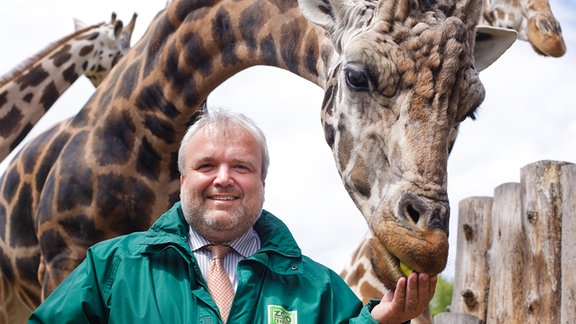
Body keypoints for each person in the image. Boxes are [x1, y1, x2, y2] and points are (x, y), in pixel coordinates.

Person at [29, 107, 436, 323]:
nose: (223, 179)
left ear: (262, 182)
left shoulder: (318, 289)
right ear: (183, 178)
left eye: (241, 167)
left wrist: (380, 322)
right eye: (207, 166)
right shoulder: (111, 269)